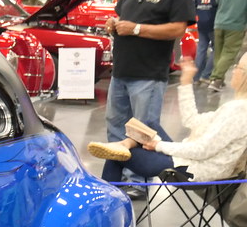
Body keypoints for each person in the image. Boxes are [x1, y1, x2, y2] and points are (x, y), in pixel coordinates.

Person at [102, 0, 195, 200]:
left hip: (148, 74)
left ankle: (139, 182)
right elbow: (123, 16)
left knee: (143, 131)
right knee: (116, 127)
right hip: (121, 71)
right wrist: (115, 23)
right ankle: (117, 176)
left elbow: (178, 29)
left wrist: (137, 29)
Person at [88, 57, 247, 184]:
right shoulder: (237, 108)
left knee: (115, 156)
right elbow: (192, 121)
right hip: (196, 163)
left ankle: (105, 208)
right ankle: (124, 144)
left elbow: (201, 150)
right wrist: (185, 82)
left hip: (193, 169)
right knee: (150, 125)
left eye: (237, 68)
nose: (233, 71)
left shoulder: (238, 111)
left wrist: (159, 145)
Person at [207, 0, 247, 92]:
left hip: (219, 22)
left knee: (218, 52)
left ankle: (218, 78)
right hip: (236, 25)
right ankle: (216, 79)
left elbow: (217, 0)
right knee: (229, 53)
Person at [193, 0, 231, 83]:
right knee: (217, 49)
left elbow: (195, 3)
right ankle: (206, 75)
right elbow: (224, 4)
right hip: (215, 21)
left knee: (201, 49)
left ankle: (196, 77)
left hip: (201, 20)